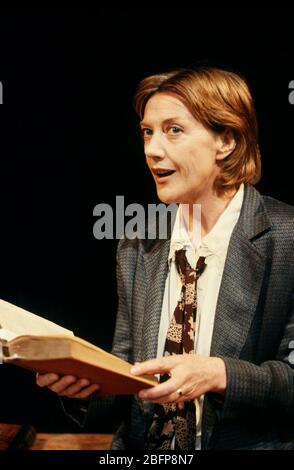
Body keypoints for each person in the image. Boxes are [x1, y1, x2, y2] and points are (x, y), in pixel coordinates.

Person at [36, 67, 294, 450]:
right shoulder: (138, 241)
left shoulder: (285, 237)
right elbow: (128, 374)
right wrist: (84, 387)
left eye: (174, 130)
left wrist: (220, 374)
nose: (152, 149)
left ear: (226, 140)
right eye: (147, 131)